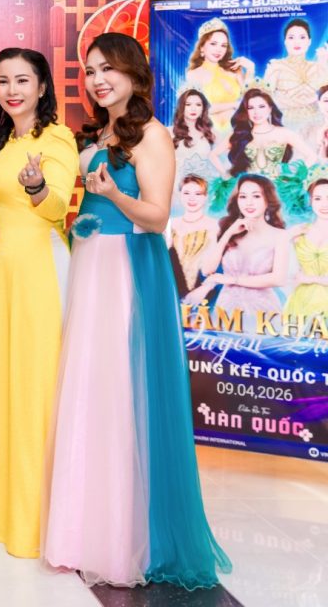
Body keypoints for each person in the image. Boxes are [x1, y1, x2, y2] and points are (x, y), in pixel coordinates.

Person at [42, 32, 232, 589]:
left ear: (134, 73)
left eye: (108, 69)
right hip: (90, 266)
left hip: (126, 271)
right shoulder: (97, 134)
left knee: (123, 394)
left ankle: (123, 538)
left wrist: (114, 197)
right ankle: (81, 533)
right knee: (89, 391)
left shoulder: (152, 134)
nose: (98, 80)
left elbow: (155, 216)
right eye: (90, 70)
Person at [0, 47, 78, 559]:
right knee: (5, 387)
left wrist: (36, 187)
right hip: (3, 275)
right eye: (2, 81)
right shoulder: (6, 141)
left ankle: (37, 521)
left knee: (36, 389)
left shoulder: (56, 138)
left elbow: (56, 203)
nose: (11, 90)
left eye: (22, 80)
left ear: (42, 87)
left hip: (39, 272)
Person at [190, 174, 289, 333]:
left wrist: (232, 279)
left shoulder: (280, 235)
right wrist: (228, 234)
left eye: (256, 196)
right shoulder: (228, 230)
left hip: (263, 312)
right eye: (243, 196)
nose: (249, 202)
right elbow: (207, 270)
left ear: (268, 200)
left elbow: (279, 279)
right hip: (227, 308)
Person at [216, 88, 313, 176]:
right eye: (251, 108)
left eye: (261, 106)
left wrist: (295, 179)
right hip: (248, 186)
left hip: (276, 187)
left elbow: (311, 156)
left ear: (270, 108)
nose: (256, 112)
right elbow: (213, 155)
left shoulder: (284, 133)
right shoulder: (240, 134)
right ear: (246, 111)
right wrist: (226, 176)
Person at [184, 18, 253, 133]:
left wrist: (250, 70)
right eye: (213, 44)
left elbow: (249, 99)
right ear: (202, 47)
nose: (218, 50)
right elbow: (198, 109)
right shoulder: (193, 75)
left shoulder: (234, 70)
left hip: (238, 130)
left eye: (223, 45)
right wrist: (234, 105)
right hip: (209, 132)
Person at [265, 18, 328, 129]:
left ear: (309, 41)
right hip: (286, 126)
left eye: (302, 37)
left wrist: (324, 63)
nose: (297, 42)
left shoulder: (318, 66)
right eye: (291, 37)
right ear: (285, 41)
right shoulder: (275, 66)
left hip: (317, 126)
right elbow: (265, 99)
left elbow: (325, 96)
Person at [167, 175, 218, 300]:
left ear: (205, 197)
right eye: (186, 193)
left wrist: (207, 287)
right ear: (180, 195)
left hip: (202, 290)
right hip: (170, 288)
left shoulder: (214, 226)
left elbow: (216, 265)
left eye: (198, 194)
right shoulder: (169, 223)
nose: (192, 198)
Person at [285, 179, 328, 325]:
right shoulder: (298, 232)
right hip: (300, 303)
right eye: (318, 198)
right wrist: (286, 237)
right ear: (310, 201)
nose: (324, 204)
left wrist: (310, 279)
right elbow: (284, 273)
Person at [170, 88, 217, 187]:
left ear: (203, 108)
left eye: (198, 105)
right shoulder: (169, 132)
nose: (193, 109)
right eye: (188, 104)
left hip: (202, 186)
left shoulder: (210, 133)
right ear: (181, 107)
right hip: (176, 185)